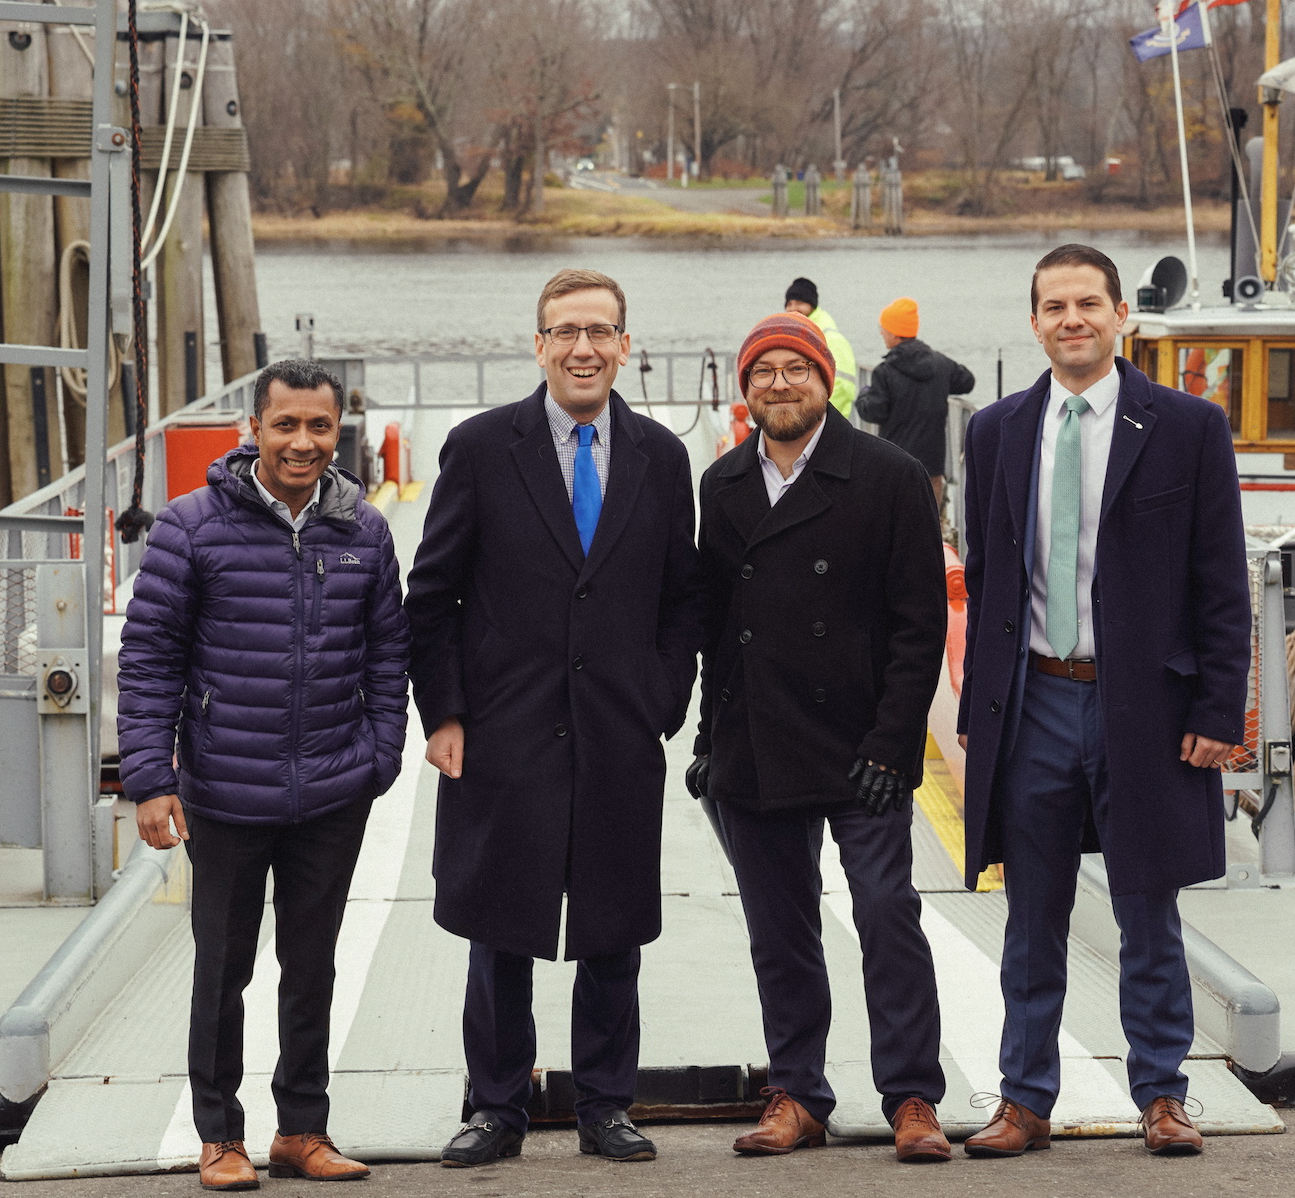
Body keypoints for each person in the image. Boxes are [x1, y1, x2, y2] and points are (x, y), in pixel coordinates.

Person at [955, 244, 1251, 1159]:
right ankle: (1025, 1099)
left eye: (1090, 303)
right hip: (1035, 700)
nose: (1072, 319)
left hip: (1146, 711)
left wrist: (1215, 711)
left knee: (1147, 908)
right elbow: (990, 575)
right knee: (1030, 915)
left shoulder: (1188, 428)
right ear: (1035, 321)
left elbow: (1220, 581)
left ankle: (1162, 1094)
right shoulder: (996, 431)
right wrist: (978, 714)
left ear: (1122, 314)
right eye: (1055, 306)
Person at [406, 268, 706, 1168]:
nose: (583, 348)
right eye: (565, 332)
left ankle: (607, 1104)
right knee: (501, 926)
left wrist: (662, 696)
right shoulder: (479, 446)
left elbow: (681, 599)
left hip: (619, 726)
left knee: (613, 927)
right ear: (538, 346)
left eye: (600, 332)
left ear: (625, 345)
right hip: (506, 727)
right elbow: (433, 596)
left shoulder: (661, 456)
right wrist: (447, 713)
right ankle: (496, 1106)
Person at [119, 359, 410, 1190]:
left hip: (332, 788)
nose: (303, 443)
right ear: (254, 429)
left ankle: (302, 1130)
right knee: (223, 966)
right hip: (225, 787)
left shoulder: (363, 529)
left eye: (319, 427)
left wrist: (379, 756)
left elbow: (390, 652)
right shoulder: (190, 527)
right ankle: (220, 1135)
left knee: (312, 964)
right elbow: (148, 661)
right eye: (285, 425)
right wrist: (150, 778)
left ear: (337, 432)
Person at [685, 312, 951, 1164]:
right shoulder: (723, 483)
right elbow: (717, 626)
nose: (780, 384)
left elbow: (919, 626)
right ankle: (798, 1092)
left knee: (885, 911)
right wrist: (705, 736)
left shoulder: (889, 476)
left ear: (826, 380)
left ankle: (911, 1095)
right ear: (747, 390)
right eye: (763, 372)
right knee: (780, 925)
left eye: (796, 369)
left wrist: (891, 745)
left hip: (861, 741)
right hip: (756, 740)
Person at [854, 297, 975, 508]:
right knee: (928, 523)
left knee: (896, 521)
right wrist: (940, 384)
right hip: (933, 465)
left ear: (894, 332)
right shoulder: (939, 363)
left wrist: (864, 394)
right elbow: (966, 381)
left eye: (883, 328)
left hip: (895, 461)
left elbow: (874, 411)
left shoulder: (885, 372)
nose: (881, 333)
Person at [783, 277, 858, 419]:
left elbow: (842, 388)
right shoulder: (797, 334)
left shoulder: (830, 338)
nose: (792, 309)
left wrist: (818, 419)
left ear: (812, 305)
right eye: (789, 304)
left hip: (822, 423)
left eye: (799, 303)